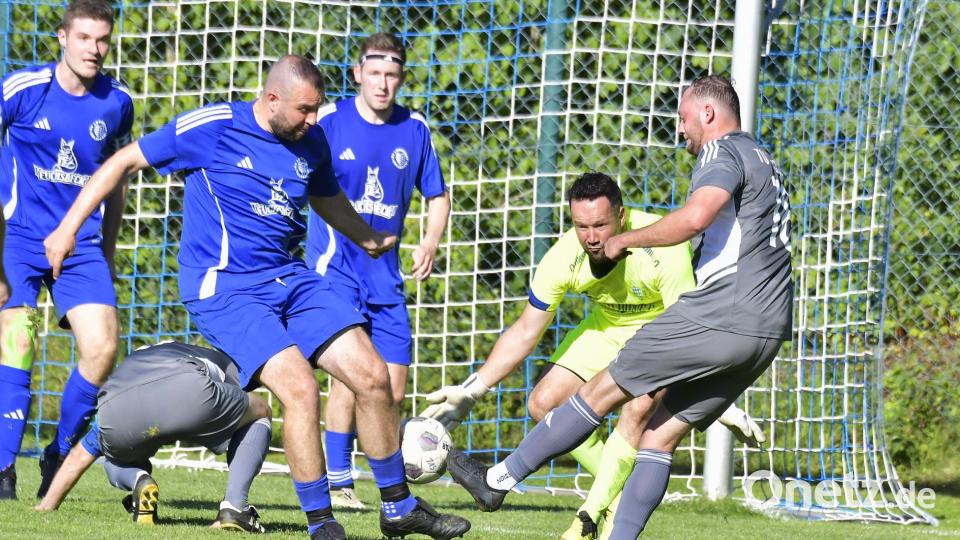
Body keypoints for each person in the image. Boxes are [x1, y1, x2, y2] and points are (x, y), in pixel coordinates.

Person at [43, 55, 470, 540]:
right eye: (304, 109)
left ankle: (398, 508)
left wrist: (366, 237)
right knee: (299, 388)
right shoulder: (214, 127)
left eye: (317, 108)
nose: (313, 119)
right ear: (271, 99)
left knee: (372, 376)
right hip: (225, 288)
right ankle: (322, 524)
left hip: (288, 278)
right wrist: (67, 229)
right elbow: (123, 161)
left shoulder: (312, 141)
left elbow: (325, 197)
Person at [445, 75, 793, 540]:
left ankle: (497, 481)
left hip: (723, 310)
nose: (680, 128)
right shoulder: (763, 158)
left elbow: (695, 218)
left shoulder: (721, 151)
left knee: (602, 389)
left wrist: (623, 242)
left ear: (707, 113)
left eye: (683, 117)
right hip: (768, 329)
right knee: (658, 437)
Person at [422, 173, 764, 539]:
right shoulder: (565, 255)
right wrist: (473, 389)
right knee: (543, 403)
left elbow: (685, 330)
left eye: (600, 225)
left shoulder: (664, 247)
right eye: (581, 226)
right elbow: (525, 331)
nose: (591, 237)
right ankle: (618, 493)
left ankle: (589, 516)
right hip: (606, 327)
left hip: (660, 331)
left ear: (622, 216)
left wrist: (713, 399)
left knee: (637, 411)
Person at [306, 32, 450, 510]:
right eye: (374, 73)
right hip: (335, 272)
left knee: (392, 387)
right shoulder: (330, 121)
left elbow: (438, 196)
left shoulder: (415, 129)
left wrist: (429, 241)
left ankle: (390, 484)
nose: (383, 83)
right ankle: (340, 482)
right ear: (358, 74)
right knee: (350, 378)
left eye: (391, 74)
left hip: (386, 279)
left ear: (401, 78)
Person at [0, 0, 134, 500]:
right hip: (16, 239)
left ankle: (57, 453)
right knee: (17, 342)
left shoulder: (117, 102)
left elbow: (117, 179)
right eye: (84, 38)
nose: (94, 49)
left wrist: (110, 249)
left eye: (103, 40)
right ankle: (3, 469)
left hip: (82, 247)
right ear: (62, 37)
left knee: (102, 349)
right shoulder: (23, 89)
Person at [34, 342, 272, 532]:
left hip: (116, 407)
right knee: (261, 412)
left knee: (115, 458)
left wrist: (47, 505)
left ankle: (139, 480)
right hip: (188, 389)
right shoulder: (221, 358)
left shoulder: (130, 366)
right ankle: (234, 506)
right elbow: (243, 392)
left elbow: (78, 457)